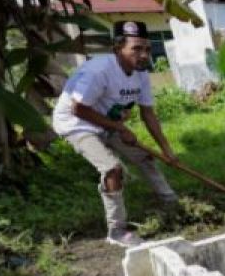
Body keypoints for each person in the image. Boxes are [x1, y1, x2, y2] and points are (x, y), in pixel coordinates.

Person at [52, 20, 178, 247]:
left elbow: (148, 113)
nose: (143, 55)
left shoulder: (141, 74)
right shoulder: (98, 71)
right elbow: (78, 108)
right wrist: (119, 128)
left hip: (105, 122)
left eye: (147, 49)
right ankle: (117, 231)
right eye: (136, 49)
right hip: (76, 124)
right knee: (112, 169)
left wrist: (166, 149)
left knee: (143, 157)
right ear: (117, 49)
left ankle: (171, 202)